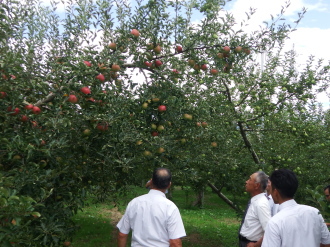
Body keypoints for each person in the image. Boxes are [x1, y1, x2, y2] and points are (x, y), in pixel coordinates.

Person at [117, 168, 186, 247]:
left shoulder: (134, 203)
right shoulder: (170, 207)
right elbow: (175, 242)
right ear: (169, 185)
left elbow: (122, 234)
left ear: (151, 181)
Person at [262, 169, 330, 247]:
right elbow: (327, 243)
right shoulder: (314, 212)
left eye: (271, 189)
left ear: (275, 192)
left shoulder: (275, 222)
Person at [239, 171, 271, 247]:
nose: (246, 182)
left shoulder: (261, 204)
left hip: (251, 243)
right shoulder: (255, 201)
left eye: (250, 180)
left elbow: (269, 230)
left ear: (256, 185)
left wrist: (256, 245)